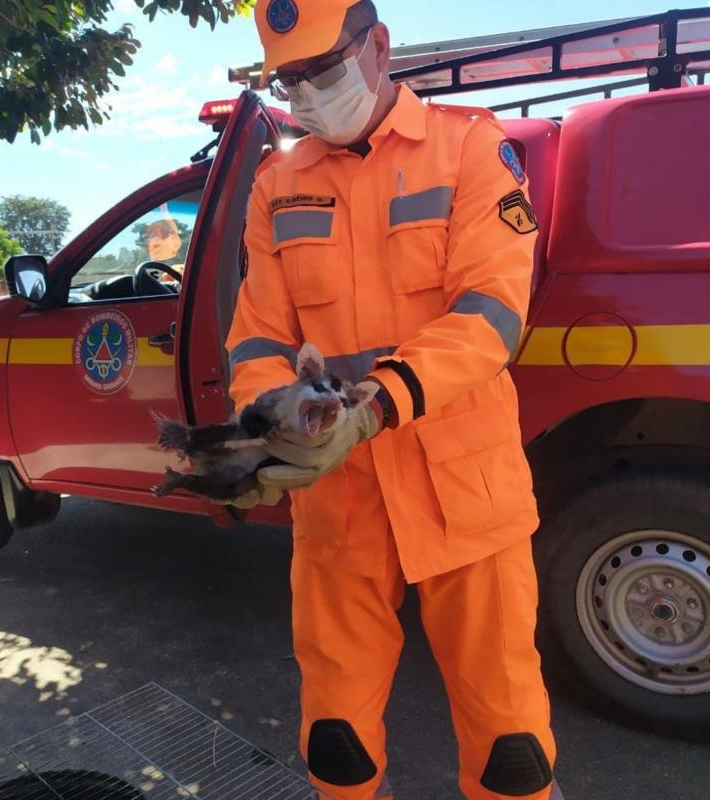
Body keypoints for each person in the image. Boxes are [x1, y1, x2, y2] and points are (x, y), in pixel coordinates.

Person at [225, 2, 563, 798]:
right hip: (340, 502)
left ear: (378, 46)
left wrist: (374, 405)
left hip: (465, 494)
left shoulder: (471, 149)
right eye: (291, 78)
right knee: (336, 739)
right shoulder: (276, 186)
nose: (307, 92)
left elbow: (490, 315)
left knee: (509, 742)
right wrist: (274, 419)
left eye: (323, 68)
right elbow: (257, 337)